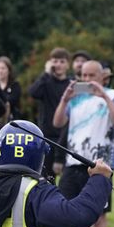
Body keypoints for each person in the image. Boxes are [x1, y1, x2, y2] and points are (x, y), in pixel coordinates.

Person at [53, 60, 114, 227]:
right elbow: (57, 122)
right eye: (83, 75)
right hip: (73, 162)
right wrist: (64, 99)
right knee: (63, 211)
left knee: (100, 215)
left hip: (100, 165)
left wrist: (102, 95)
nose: (87, 80)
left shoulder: (113, 96)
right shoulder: (75, 99)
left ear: (103, 76)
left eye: (91, 75)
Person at [29, 47, 71, 179]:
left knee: (66, 181)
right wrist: (46, 73)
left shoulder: (71, 85)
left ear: (67, 64)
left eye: (62, 61)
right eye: (55, 61)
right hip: (46, 137)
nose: (58, 64)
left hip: (66, 138)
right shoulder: (46, 81)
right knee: (44, 179)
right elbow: (33, 92)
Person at [0, 56, 20, 122]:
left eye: (3, 68)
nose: (0, 71)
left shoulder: (15, 85)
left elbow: (12, 101)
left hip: (11, 121)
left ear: (9, 70)